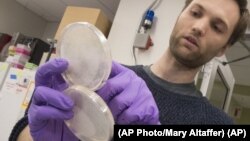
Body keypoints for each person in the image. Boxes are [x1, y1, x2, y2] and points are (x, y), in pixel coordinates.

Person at [9, 0, 250, 140]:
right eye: (195, 13)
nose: (198, 27)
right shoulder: (102, 81)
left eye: (217, 27)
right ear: (180, 16)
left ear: (223, 49)